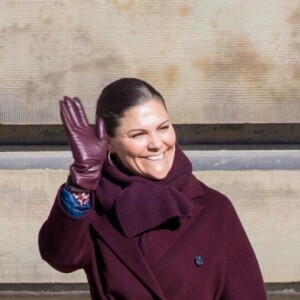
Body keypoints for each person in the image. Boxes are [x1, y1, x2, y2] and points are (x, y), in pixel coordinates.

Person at [38, 78, 267, 299]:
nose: (157, 143)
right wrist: (81, 183)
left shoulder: (213, 208)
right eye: (139, 135)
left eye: (163, 128)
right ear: (109, 142)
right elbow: (61, 258)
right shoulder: (95, 208)